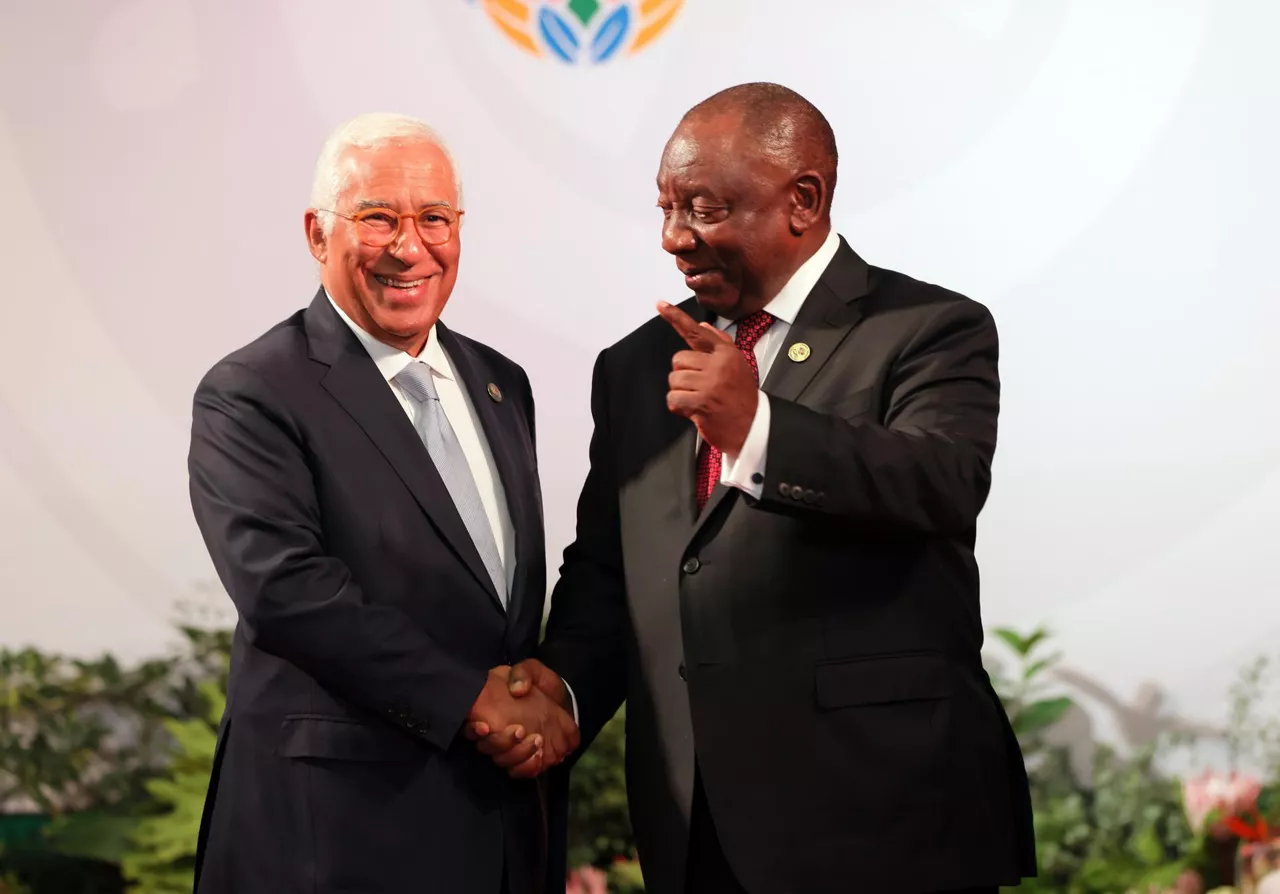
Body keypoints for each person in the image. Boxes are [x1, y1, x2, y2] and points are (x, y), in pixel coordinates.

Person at [476, 83, 1037, 892]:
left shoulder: (928, 329)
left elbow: (941, 482)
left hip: (884, 822)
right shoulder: (635, 366)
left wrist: (758, 429)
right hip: (699, 828)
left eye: (701, 208)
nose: (674, 239)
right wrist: (559, 693)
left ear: (801, 200)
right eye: (666, 208)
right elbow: (611, 570)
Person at [186, 112, 577, 894]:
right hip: (333, 837)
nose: (410, 246)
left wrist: (548, 693)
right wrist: (471, 699)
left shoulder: (502, 382)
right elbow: (288, 592)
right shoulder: (253, 391)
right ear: (316, 233)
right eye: (377, 218)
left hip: (497, 830)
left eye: (435, 218)